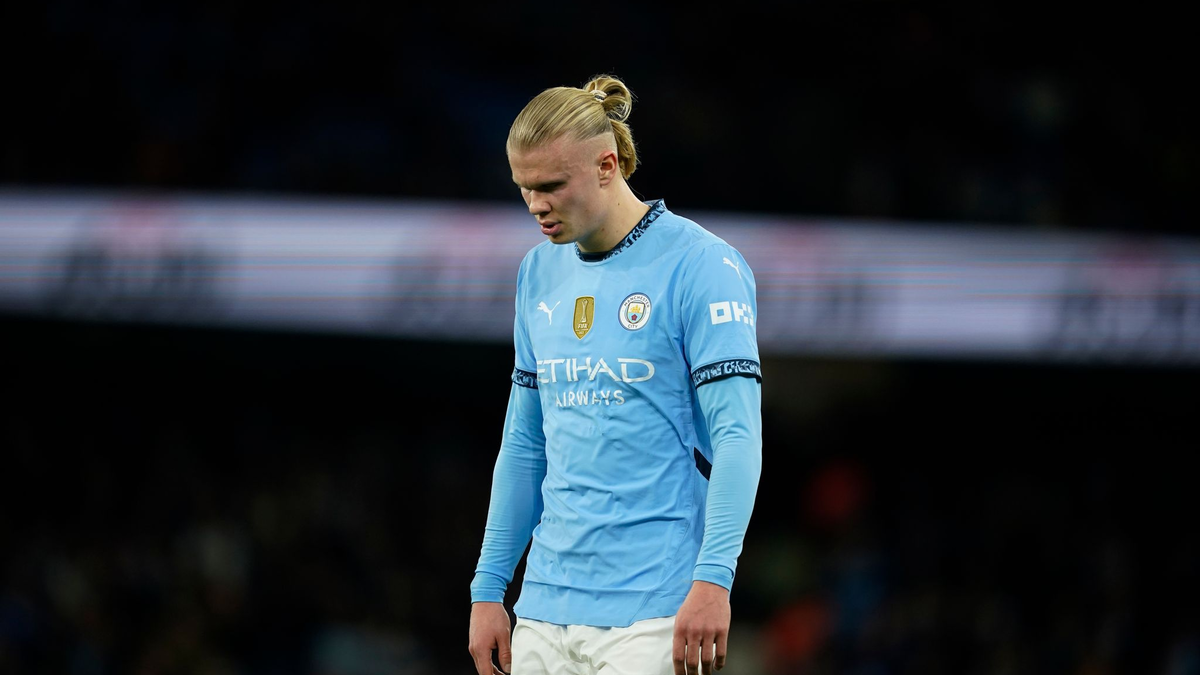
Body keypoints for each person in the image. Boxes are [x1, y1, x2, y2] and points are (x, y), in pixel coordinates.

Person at [468, 74, 763, 675]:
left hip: (655, 609)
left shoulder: (703, 265)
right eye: (524, 188)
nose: (536, 205)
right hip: (544, 608)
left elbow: (738, 436)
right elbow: (524, 444)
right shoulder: (537, 272)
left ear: (607, 166)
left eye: (551, 186)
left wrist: (714, 579)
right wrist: (488, 587)